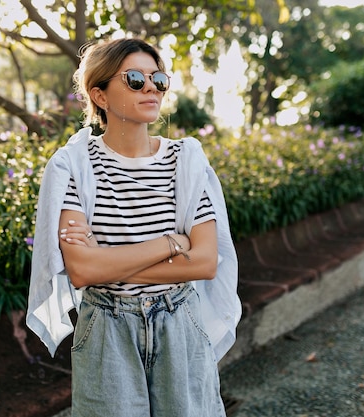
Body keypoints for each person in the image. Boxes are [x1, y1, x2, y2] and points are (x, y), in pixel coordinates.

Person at [26, 37, 241, 417]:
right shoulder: (73, 166)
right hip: (106, 326)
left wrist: (108, 259)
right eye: (136, 79)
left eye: (158, 78)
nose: (152, 88)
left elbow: (206, 262)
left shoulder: (185, 160)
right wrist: (173, 241)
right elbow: (82, 270)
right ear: (100, 96)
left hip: (180, 321)